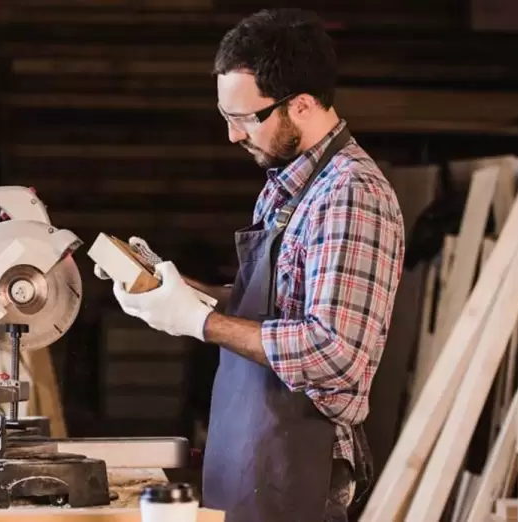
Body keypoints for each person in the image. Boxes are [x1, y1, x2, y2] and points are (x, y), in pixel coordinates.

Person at [94, 8, 405, 522]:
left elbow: (336, 353)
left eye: (244, 118)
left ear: (302, 105)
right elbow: (268, 305)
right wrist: (171, 287)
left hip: (300, 464)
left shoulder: (351, 194)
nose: (233, 135)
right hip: (254, 453)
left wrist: (201, 323)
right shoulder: (286, 186)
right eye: (226, 117)